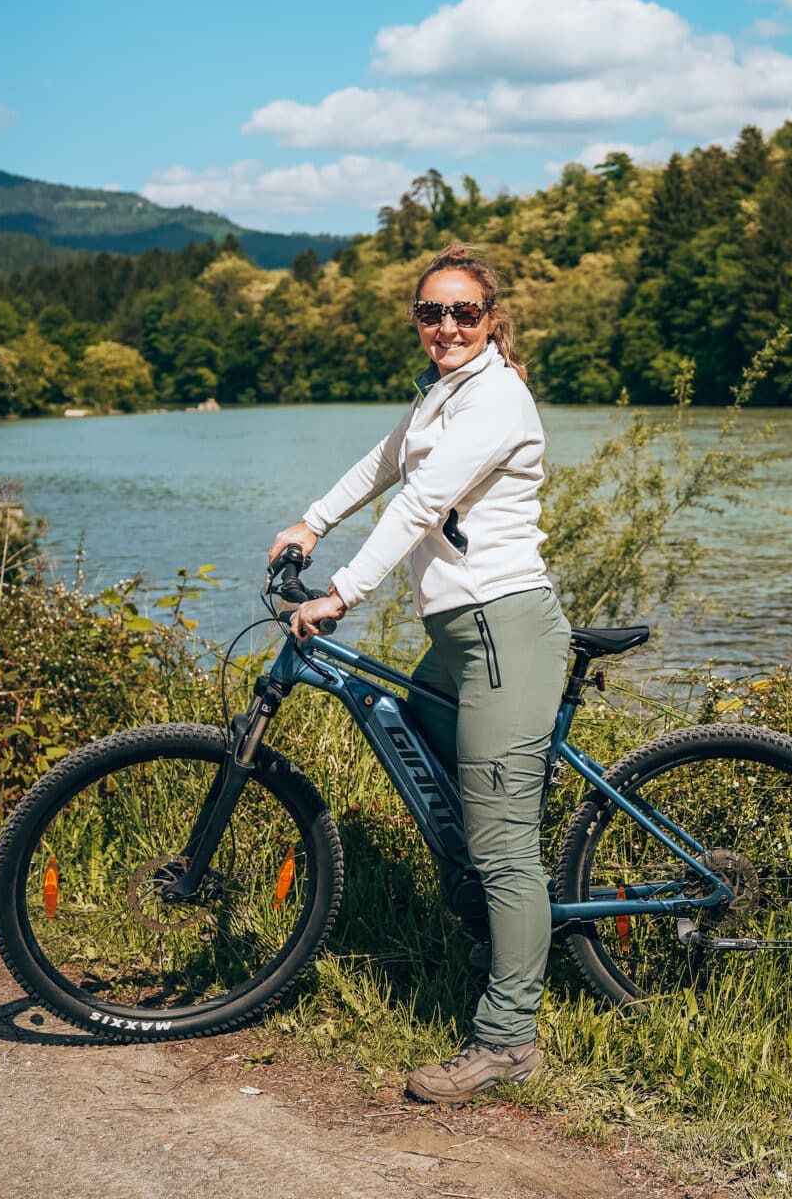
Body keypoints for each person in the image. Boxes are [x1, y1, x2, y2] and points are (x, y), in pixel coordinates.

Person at [266, 243, 568, 1105]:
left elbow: (421, 504)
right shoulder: (443, 393)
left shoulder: (498, 399)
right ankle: (493, 931)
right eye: (431, 313)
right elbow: (384, 463)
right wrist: (312, 523)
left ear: (491, 319)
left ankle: (509, 1038)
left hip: (505, 632)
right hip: (460, 638)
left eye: (463, 312)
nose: (446, 326)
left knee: (506, 846)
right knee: (443, 786)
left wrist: (343, 594)